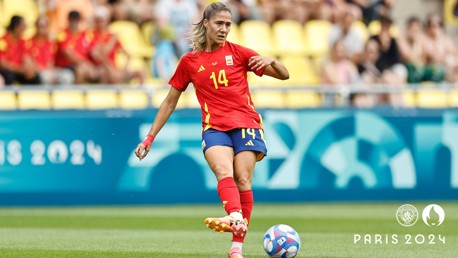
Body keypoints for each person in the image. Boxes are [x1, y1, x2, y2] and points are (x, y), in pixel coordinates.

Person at [134, 2, 289, 258]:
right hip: (214, 127)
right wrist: (149, 138)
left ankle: (236, 245)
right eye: (219, 23)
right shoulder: (190, 62)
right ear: (206, 23)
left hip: (247, 124)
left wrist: (272, 60)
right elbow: (170, 101)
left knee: (242, 179)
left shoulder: (239, 53)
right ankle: (236, 220)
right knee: (223, 170)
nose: (224, 29)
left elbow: (284, 75)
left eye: (228, 24)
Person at [0, 16, 41, 85]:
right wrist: (20, 69)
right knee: (8, 76)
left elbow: (26, 57)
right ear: (16, 27)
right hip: (8, 71)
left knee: (34, 77)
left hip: (19, 71)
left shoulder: (23, 42)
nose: (25, 29)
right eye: (23, 26)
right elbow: (3, 64)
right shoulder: (3, 41)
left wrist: (29, 69)